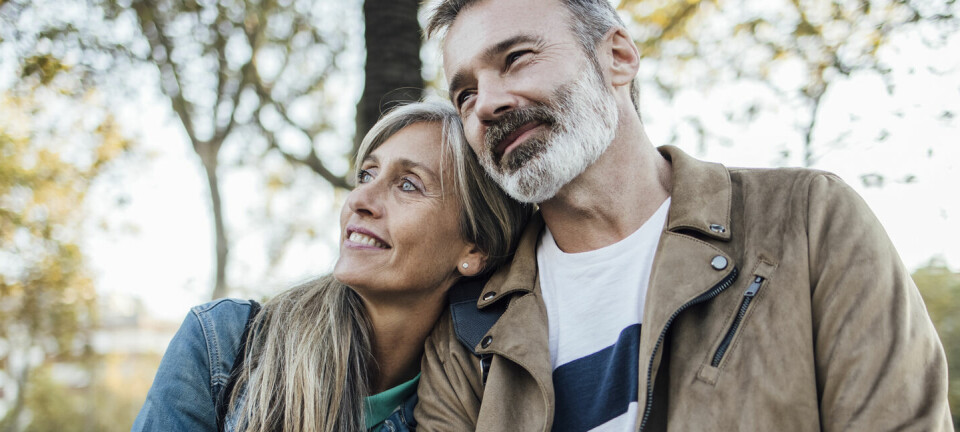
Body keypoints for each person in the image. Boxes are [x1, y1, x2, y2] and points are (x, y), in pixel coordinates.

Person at [414, 0, 953, 431]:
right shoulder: (464, 336)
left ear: (618, 56)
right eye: (465, 95)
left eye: (516, 58)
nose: (487, 105)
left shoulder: (808, 218)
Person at [131, 101, 531, 432]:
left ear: (476, 248)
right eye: (367, 174)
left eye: (408, 184)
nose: (359, 199)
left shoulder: (475, 401)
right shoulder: (222, 343)